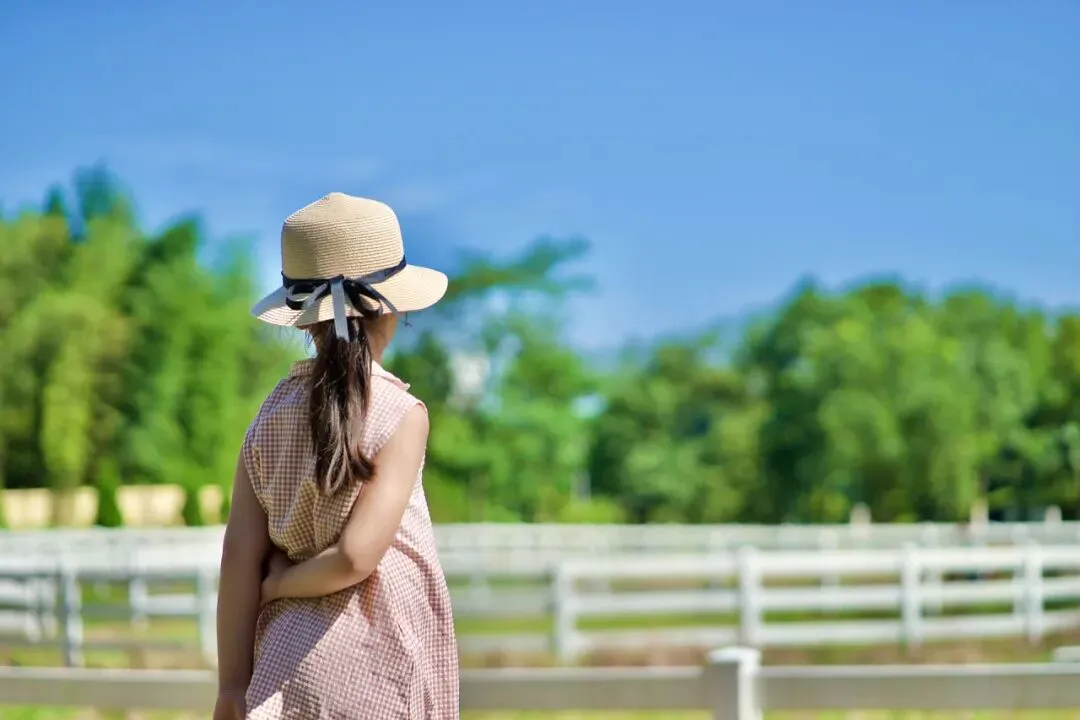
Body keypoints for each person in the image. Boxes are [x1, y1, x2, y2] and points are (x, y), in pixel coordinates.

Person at [213, 192, 459, 719]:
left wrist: (232, 686)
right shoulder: (401, 413)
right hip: (382, 665)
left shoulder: (269, 418)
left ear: (303, 320)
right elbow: (354, 557)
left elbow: (238, 556)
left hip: (288, 666)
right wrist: (281, 583)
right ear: (392, 310)